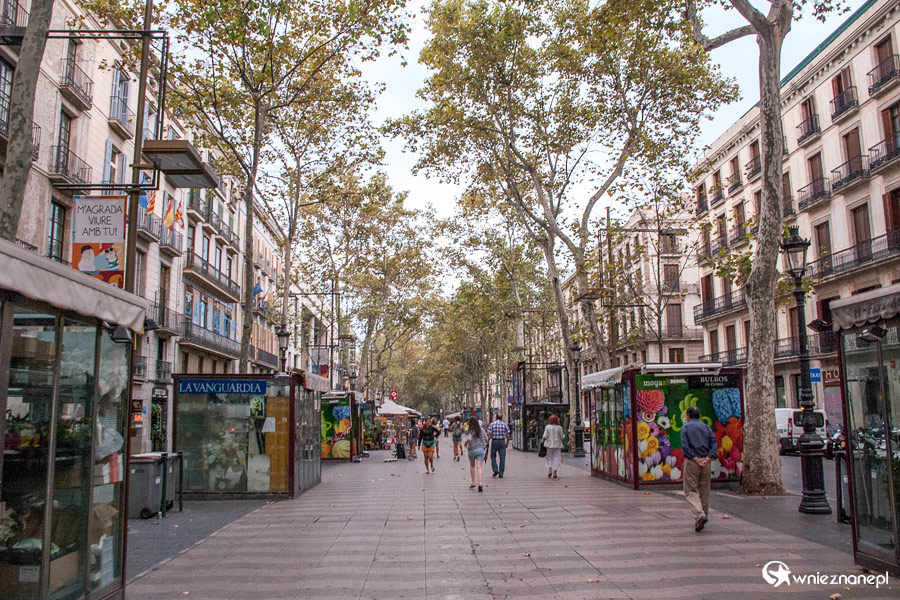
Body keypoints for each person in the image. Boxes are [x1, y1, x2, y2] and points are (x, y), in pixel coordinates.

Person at [680, 406, 718, 532]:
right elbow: (713, 443)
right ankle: (702, 517)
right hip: (706, 463)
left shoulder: (685, 428)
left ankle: (699, 514)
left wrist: (696, 459)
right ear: (699, 415)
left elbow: (685, 446)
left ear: (688, 415)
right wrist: (706, 459)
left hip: (692, 462)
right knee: (704, 492)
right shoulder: (706, 428)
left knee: (690, 490)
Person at [464, 416, 489, 492]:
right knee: (479, 467)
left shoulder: (469, 431)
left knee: (472, 466)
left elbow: (469, 439)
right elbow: (486, 439)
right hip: (480, 449)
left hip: (472, 450)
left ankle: (473, 482)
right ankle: (480, 483)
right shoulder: (481, 430)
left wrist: (465, 444)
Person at [541, 414, 565, 479]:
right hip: (557, 445)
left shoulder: (547, 427)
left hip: (549, 445)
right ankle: (555, 472)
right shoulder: (559, 427)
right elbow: (562, 437)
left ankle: (550, 470)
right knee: (557, 457)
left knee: (549, 457)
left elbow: (544, 436)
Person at [487, 413, 510, 478]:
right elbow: (508, 435)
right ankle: (501, 473)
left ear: (496, 417)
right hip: (502, 441)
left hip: (494, 441)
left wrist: (487, 442)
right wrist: (507, 442)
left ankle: (495, 469)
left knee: (493, 456)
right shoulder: (504, 424)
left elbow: (489, 434)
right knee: (502, 457)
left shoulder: (492, 424)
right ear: (502, 418)